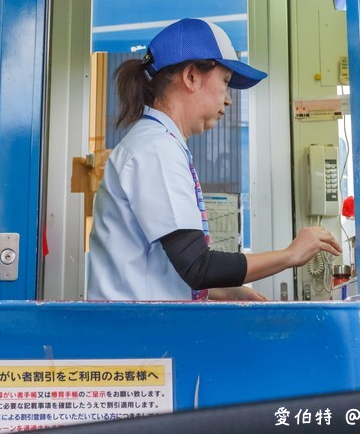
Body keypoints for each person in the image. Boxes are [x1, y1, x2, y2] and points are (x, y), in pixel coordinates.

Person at [86, 18, 341, 301]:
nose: (229, 100)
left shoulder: (160, 142)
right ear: (192, 77)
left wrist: (232, 292)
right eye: (226, 82)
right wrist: (290, 255)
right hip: (139, 338)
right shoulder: (155, 149)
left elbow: (171, 267)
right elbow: (197, 265)